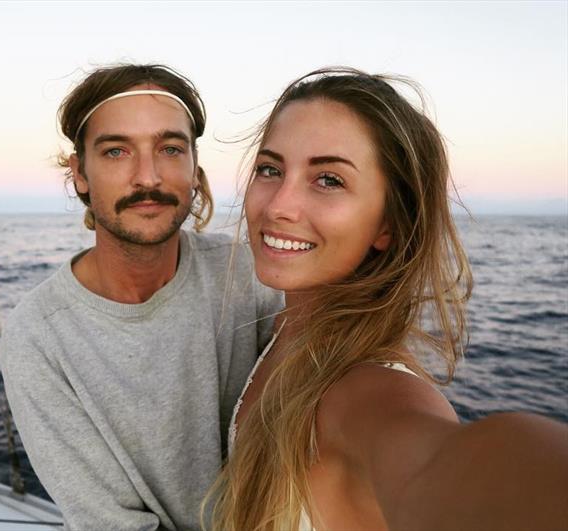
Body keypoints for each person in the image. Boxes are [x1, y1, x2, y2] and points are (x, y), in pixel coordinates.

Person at [206, 68, 568, 530]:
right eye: (270, 169)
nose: (278, 205)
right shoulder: (284, 330)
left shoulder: (366, 391)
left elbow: (449, 465)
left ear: (388, 224)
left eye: (329, 180)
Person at [0, 64, 283, 530]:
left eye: (170, 149)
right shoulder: (39, 336)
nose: (148, 177)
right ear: (80, 173)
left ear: (194, 168)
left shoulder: (250, 275)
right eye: (116, 151)